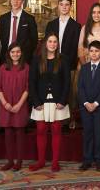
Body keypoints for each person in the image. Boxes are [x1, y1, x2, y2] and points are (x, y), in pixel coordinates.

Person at [28, 33, 71, 172]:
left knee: (56, 131)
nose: (53, 44)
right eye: (50, 41)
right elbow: (32, 82)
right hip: (40, 101)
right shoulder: (36, 60)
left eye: (55, 42)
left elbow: (67, 82)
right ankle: (40, 161)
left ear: (57, 44)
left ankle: (55, 162)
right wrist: (35, 101)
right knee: (40, 130)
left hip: (58, 102)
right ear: (45, 43)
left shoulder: (63, 60)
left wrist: (63, 101)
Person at [45, 0, 81, 129]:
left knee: (68, 93)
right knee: (53, 91)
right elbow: (46, 45)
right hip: (51, 64)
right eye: (62, 4)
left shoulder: (76, 26)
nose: (64, 7)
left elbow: (75, 47)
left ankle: (67, 120)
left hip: (68, 65)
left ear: (70, 7)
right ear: (58, 6)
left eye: (67, 4)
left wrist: (64, 63)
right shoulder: (51, 24)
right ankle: (52, 121)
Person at [78, 41, 100, 171]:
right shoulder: (84, 68)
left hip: (99, 107)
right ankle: (87, 160)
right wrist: (86, 103)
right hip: (85, 107)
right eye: (91, 51)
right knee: (87, 133)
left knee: (98, 133)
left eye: (97, 51)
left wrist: (96, 103)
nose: (94, 53)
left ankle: (99, 160)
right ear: (88, 52)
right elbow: (80, 88)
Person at [0, 42, 29, 171]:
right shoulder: (3, 68)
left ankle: (19, 162)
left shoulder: (26, 67)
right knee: (8, 134)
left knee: (20, 134)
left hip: (20, 105)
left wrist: (19, 104)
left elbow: (28, 88)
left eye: (18, 52)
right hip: (6, 106)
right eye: (13, 52)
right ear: (9, 54)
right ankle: (10, 161)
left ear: (21, 53)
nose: (15, 54)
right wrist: (5, 103)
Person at [0, 0, 38, 65]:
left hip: (23, 58)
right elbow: (2, 38)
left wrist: (25, 54)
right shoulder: (3, 18)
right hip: (6, 56)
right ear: (10, 0)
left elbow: (34, 41)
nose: (15, 2)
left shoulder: (29, 19)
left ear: (22, 1)